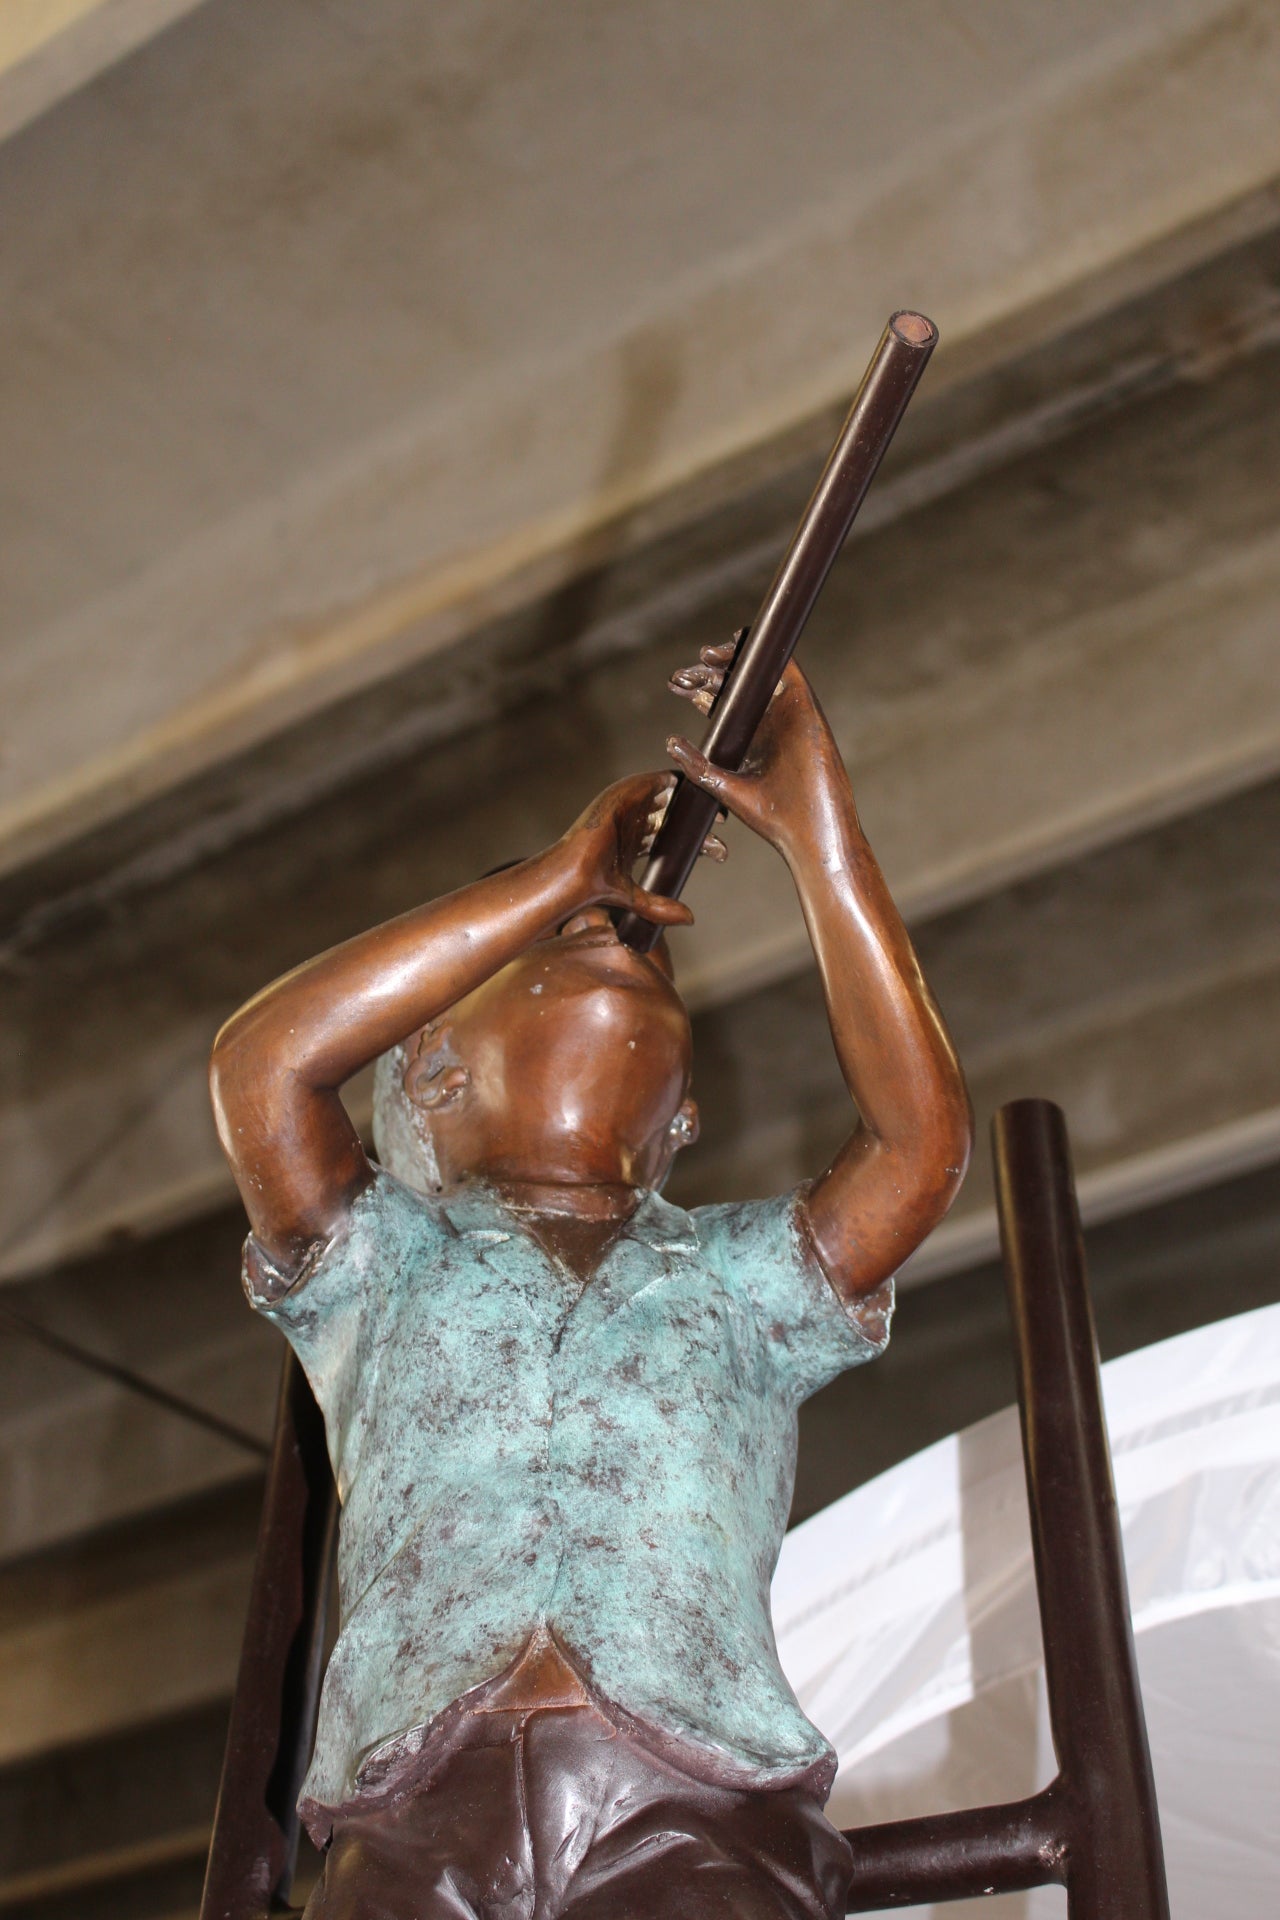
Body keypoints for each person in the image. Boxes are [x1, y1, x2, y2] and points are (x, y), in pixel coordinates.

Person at [209, 647, 972, 1920]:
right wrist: (545, 881)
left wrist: (817, 822)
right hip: (411, 1819)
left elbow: (918, 1146)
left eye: (645, 962)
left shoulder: (740, 1281)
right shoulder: (379, 1259)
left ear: (678, 1123)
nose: (615, 943)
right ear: (433, 1079)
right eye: (556, 950)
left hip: (695, 1811)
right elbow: (263, 1068)